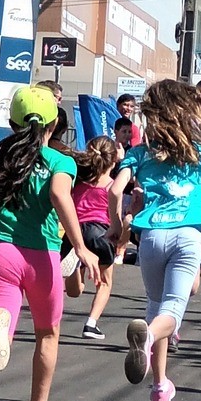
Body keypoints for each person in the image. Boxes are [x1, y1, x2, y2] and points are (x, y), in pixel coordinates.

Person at [0, 83, 98, 401]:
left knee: (4, 311)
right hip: (42, 255)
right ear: (54, 124)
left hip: (2, 252)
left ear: (12, 122)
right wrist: (80, 246)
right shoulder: (61, 161)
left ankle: (2, 330)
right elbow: (60, 194)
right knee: (47, 332)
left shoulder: (2, 156)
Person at [120, 80, 201, 401]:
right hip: (188, 234)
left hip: (150, 235)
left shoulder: (139, 154)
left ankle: (160, 389)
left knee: (156, 303)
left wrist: (114, 226)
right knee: (172, 311)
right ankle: (147, 338)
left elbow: (112, 191)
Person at [65, 134, 127, 342]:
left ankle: (75, 268)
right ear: (112, 161)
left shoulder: (78, 181)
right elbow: (115, 215)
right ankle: (91, 324)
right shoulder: (112, 186)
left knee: (75, 291)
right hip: (100, 232)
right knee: (105, 283)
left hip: (74, 232)